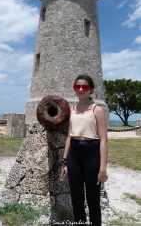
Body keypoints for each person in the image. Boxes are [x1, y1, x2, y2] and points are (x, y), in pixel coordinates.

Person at [60, 74, 108, 226]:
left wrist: (103, 168)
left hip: (92, 154)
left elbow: (104, 140)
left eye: (84, 87)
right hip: (74, 154)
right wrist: (64, 161)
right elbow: (69, 136)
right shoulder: (72, 109)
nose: (80, 89)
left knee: (93, 198)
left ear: (91, 89)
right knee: (76, 197)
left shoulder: (97, 110)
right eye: (77, 87)